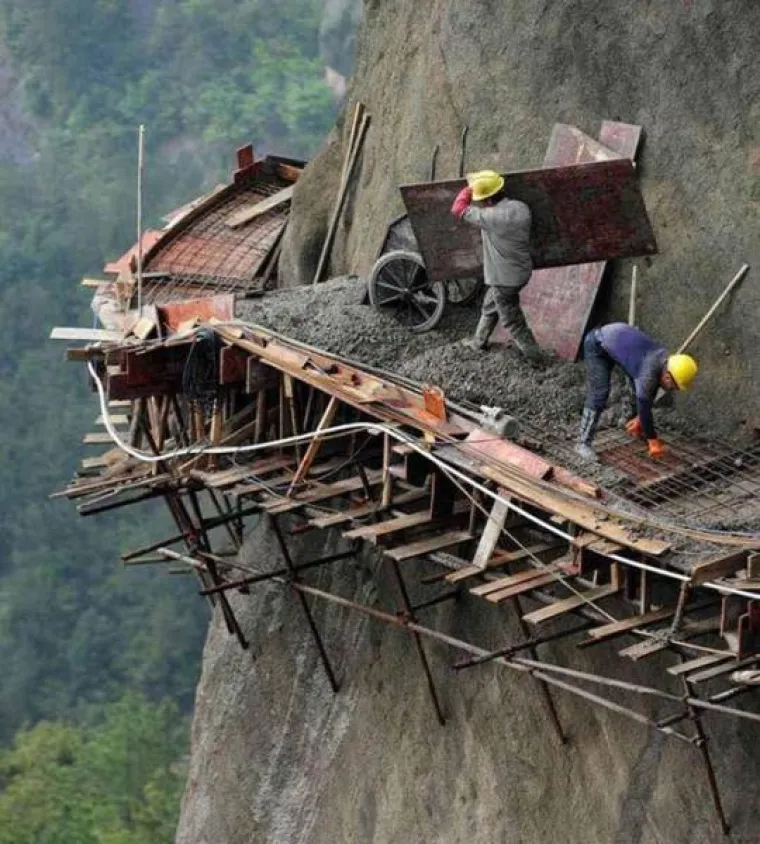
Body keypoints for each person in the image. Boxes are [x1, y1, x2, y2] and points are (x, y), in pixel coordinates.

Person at [451, 170, 543, 363]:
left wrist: (470, 187)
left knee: (512, 321)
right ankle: (479, 341)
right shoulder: (521, 208)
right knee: (490, 303)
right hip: (520, 271)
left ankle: (536, 358)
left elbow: (458, 208)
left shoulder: (490, 218)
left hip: (504, 279)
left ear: (487, 200)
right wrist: (481, 183)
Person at [576, 322, 698, 461]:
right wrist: (653, 441)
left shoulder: (664, 360)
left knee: (638, 390)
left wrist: (641, 419)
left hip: (617, 341)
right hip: (597, 344)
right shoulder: (649, 372)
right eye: (674, 386)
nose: (673, 390)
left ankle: (630, 421)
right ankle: (582, 444)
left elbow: (650, 390)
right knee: (599, 393)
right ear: (668, 377)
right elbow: (645, 403)